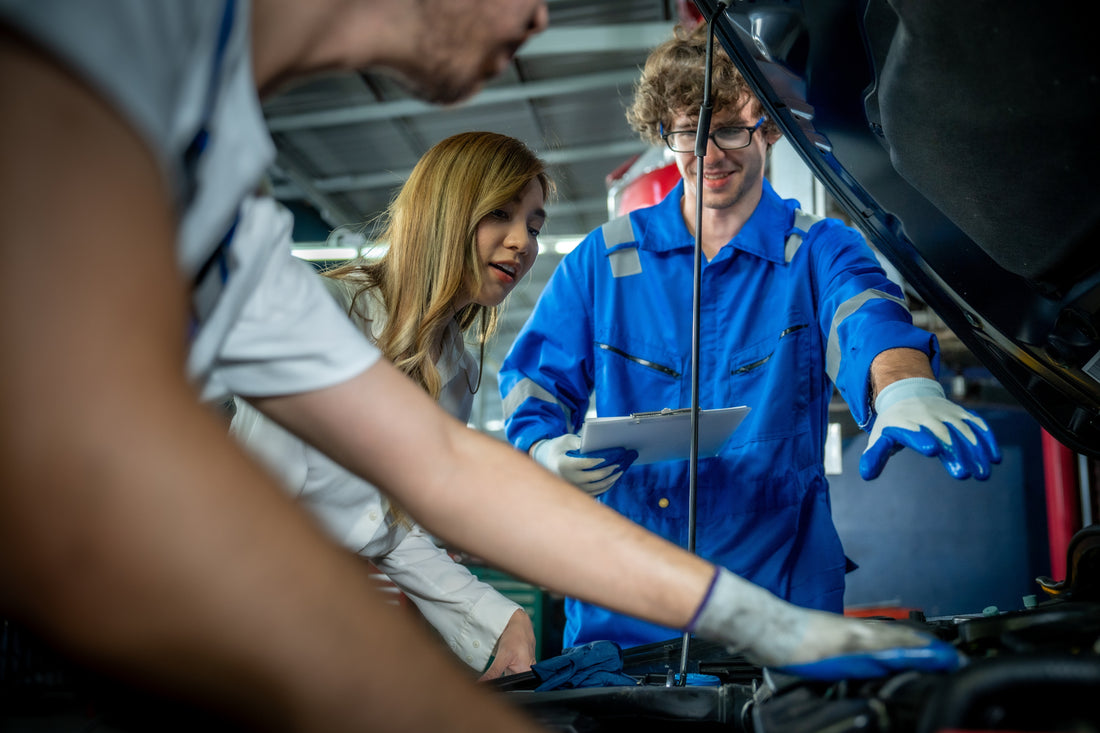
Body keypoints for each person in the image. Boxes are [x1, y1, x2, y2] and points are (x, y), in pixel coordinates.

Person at [0, 2, 960, 730]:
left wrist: (769, 622)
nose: (543, 15)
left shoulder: (224, 181)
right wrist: (544, 458)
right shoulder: (98, 37)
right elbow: (84, 503)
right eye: (505, 217)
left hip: (775, 576)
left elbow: (442, 471)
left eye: (536, 223)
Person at [498, 22, 1003, 650]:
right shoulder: (602, 261)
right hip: (626, 602)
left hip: (782, 592)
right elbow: (530, 386)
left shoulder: (819, 250)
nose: (710, 154)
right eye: (688, 132)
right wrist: (545, 451)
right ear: (662, 133)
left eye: (731, 129)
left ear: (767, 127)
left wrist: (904, 389)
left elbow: (868, 317)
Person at [230, 131, 550, 680]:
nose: (523, 241)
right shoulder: (321, 316)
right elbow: (247, 504)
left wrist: (501, 618)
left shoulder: (456, 372)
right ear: (444, 213)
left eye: (536, 225)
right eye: (501, 213)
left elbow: (394, 528)